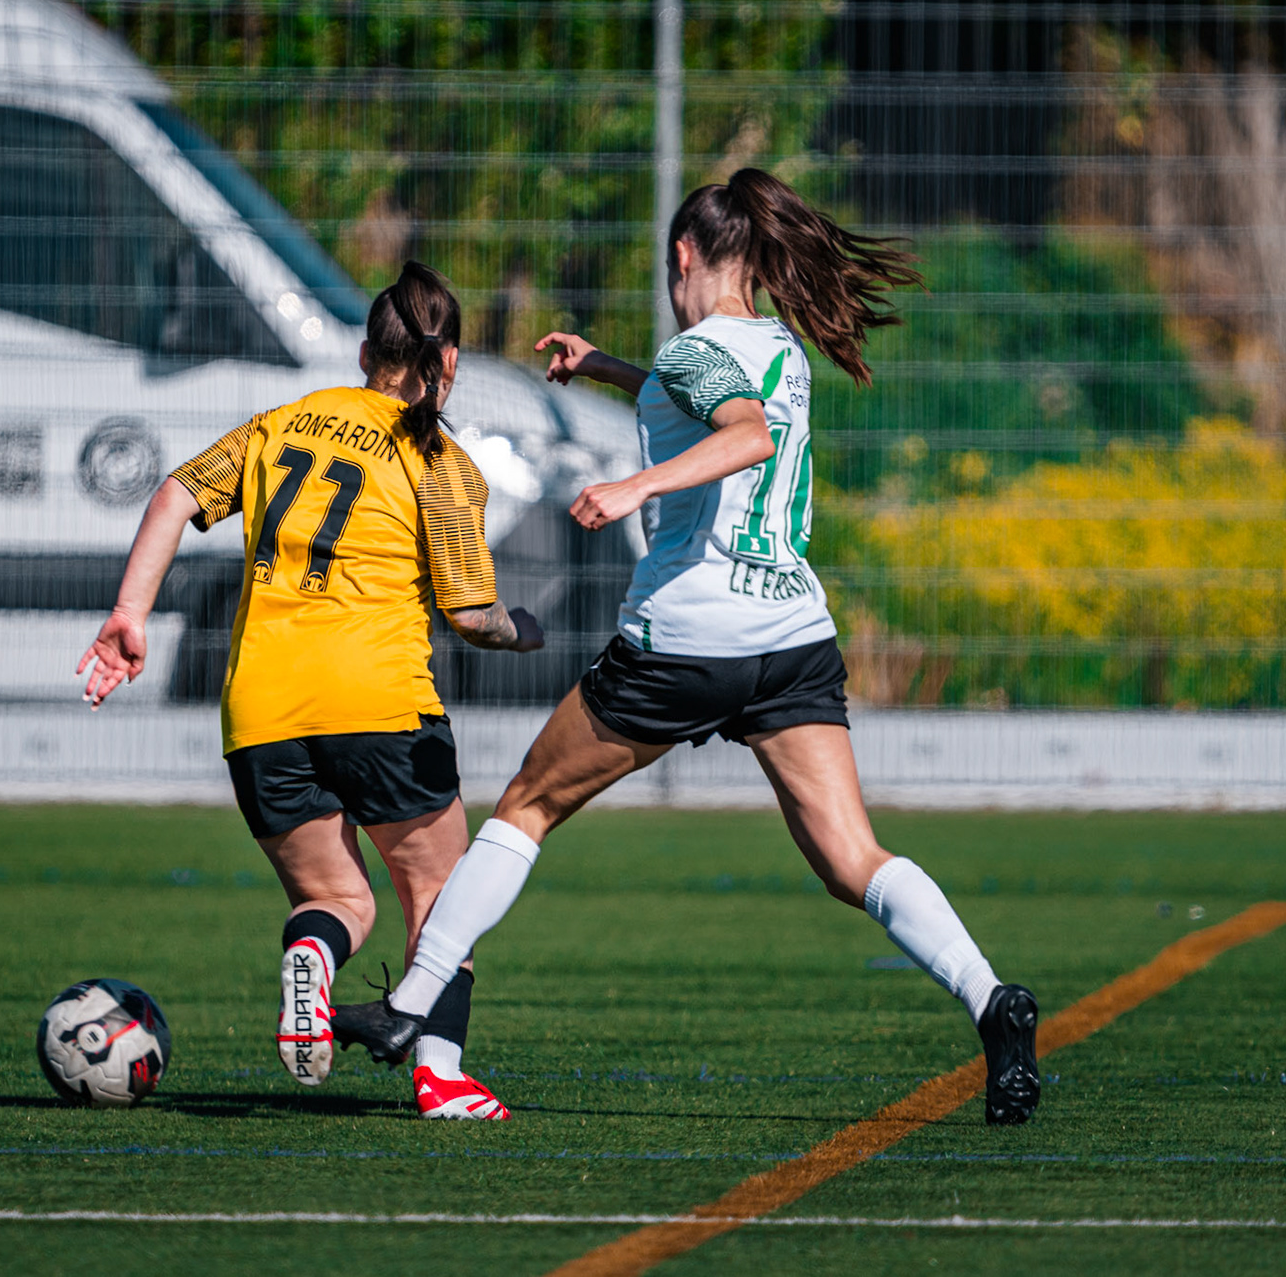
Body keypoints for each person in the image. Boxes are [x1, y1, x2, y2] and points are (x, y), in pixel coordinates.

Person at [337, 171, 1041, 1126]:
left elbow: (738, 433)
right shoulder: (775, 348)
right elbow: (712, 398)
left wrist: (633, 490)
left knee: (526, 806)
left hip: (686, 640)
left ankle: (409, 1007)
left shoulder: (701, 348)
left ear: (683, 258)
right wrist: (606, 368)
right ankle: (993, 1000)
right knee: (851, 858)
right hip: (792, 637)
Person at [77, 261, 543, 1120]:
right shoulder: (438, 459)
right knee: (438, 902)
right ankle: (440, 1080)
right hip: (380, 705)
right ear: (446, 368)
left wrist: (128, 615)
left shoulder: (281, 423)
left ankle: (317, 964)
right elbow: (472, 614)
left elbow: (176, 492)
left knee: (336, 900)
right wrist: (525, 630)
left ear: (366, 351)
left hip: (260, 712)